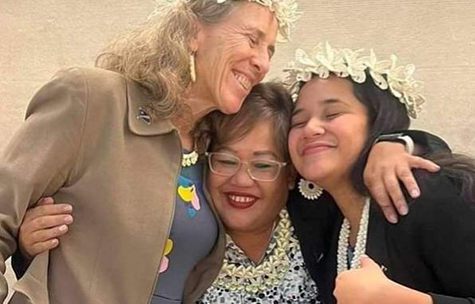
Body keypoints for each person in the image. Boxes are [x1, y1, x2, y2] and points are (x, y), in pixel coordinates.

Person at [0, 0, 297, 304]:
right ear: (192, 31)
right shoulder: (93, 99)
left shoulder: (212, 149)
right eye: (252, 39)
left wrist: (377, 142)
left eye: (270, 50)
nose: (263, 63)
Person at [15, 80, 446, 304]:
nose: (242, 180)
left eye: (263, 165)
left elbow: (432, 163)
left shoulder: (319, 219)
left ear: (292, 174)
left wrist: (400, 143)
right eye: (225, 160)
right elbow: (101, 249)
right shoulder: (186, 233)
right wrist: (29, 245)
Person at [286, 43, 475, 304]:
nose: (311, 128)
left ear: (378, 124)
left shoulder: (422, 194)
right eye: (298, 122)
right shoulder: (329, 223)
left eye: (332, 113)